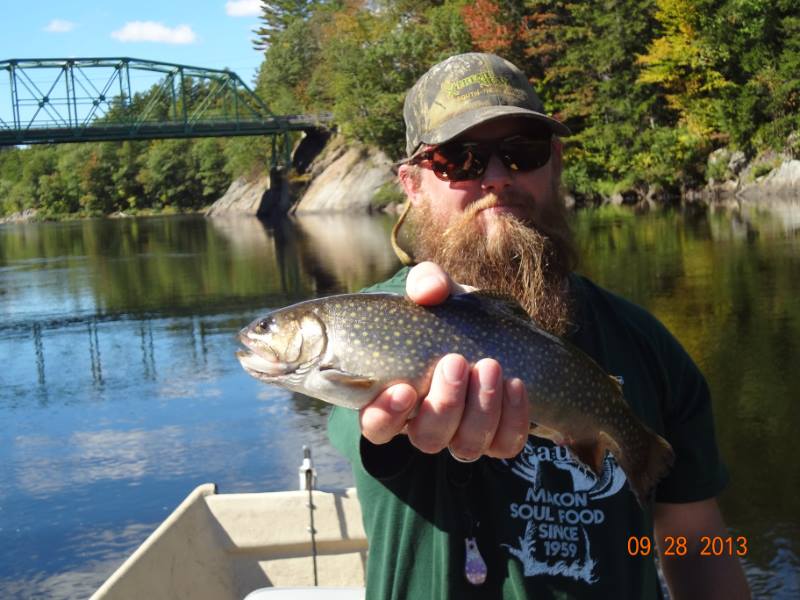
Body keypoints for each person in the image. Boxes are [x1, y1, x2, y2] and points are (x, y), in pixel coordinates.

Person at [328, 52, 750, 599]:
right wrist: (392, 419)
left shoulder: (648, 346)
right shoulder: (374, 324)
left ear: (554, 162)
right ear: (411, 184)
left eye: (521, 153)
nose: (498, 179)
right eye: (460, 159)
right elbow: (355, 415)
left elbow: (695, 542)